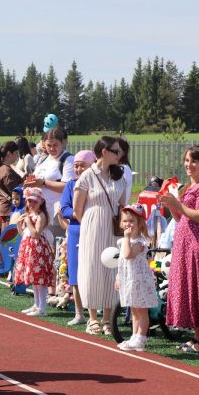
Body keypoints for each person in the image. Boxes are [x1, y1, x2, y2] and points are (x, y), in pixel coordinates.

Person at [158, 145, 199, 353]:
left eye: (194, 161)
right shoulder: (190, 187)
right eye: (187, 160)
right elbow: (181, 217)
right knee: (191, 290)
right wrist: (171, 204)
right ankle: (196, 336)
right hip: (186, 244)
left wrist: (177, 202)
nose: (189, 165)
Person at [74, 137, 126, 335]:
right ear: (104, 151)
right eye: (115, 151)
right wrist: (90, 224)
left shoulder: (118, 176)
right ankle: (92, 318)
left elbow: (122, 204)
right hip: (92, 225)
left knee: (111, 269)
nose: (118, 155)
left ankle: (107, 318)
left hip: (113, 227)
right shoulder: (87, 176)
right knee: (92, 267)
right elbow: (78, 209)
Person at [59, 150, 96, 326]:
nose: (79, 169)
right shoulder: (70, 185)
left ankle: (95, 314)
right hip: (76, 231)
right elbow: (64, 209)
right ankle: (79, 313)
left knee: (93, 272)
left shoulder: (97, 184)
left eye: (83, 165)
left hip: (94, 231)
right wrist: (78, 213)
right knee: (75, 273)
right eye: (76, 165)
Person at [115, 204, 158, 351]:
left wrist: (127, 238)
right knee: (133, 309)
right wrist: (118, 278)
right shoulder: (124, 241)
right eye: (125, 221)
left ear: (140, 223)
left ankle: (141, 338)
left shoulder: (139, 242)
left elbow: (128, 255)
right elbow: (121, 262)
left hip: (138, 280)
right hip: (128, 279)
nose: (128, 224)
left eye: (131, 221)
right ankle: (134, 336)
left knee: (141, 310)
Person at [24, 127, 75, 239]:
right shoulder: (43, 159)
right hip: (40, 212)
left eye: (55, 145)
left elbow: (68, 186)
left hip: (57, 214)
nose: (52, 148)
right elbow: (38, 181)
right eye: (49, 145)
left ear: (63, 143)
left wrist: (43, 183)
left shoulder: (68, 160)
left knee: (57, 247)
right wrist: (31, 182)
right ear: (44, 144)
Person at [16, 187, 54, 317]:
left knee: (40, 279)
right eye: (29, 201)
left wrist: (27, 222)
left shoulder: (40, 215)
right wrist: (19, 224)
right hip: (29, 249)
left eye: (34, 202)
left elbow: (36, 234)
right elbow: (24, 234)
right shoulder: (30, 215)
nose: (30, 204)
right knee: (34, 278)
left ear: (41, 202)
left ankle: (42, 307)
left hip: (38, 250)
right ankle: (36, 304)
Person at [0, 141, 24, 230]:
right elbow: (15, 191)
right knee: (9, 241)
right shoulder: (6, 171)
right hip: (10, 211)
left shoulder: (2, 168)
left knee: (6, 241)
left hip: (6, 210)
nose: (17, 156)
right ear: (9, 154)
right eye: (16, 153)